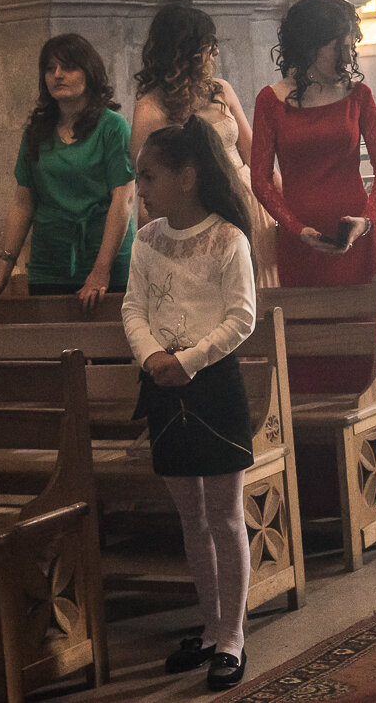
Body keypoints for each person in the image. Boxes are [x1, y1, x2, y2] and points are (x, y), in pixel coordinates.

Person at [250, 0, 376, 526]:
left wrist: (366, 219)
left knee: (368, 353)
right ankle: (319, 498)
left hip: (357, 241)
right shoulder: (271, 100)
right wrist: (294, 229)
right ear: (313, 42)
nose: (349, 49)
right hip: (301, 247)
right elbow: (260, 178)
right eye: (342, 39)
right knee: (309, 356)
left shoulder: (358, 95)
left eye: (350, 40)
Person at [123, 120, 258, 692]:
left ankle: (233, 636)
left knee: (224, 514)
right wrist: (152, 356)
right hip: (162, 381)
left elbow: (242, 317)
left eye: (148, 177)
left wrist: (189, 359)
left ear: (187, 176)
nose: (141, 189)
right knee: (189, 513)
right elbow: (132, 307)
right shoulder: (148, 240)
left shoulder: (228, 238)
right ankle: (209, 625)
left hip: (210, 384)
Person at [0, 33, 135, 308]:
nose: (57, 75)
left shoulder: (112, 127)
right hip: (50, 261)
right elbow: (23, 204)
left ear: (90, 73)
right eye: (50, 69)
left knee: (106, 346)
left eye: (68, 67)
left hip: (105, 260)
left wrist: (100, 271)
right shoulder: (36, 132)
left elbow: (124, 199)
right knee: (53, 345)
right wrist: (2, 273)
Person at [130, 4, 276, 287]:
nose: (216, 52)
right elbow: (146, 183)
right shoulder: (150, 108)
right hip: (200, 212)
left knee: (261, 291)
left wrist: (287, 207)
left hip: (249, 203)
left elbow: (257, 159)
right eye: (210, 44)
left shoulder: (221, 89)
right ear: (186, 49)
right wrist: (151, 244)